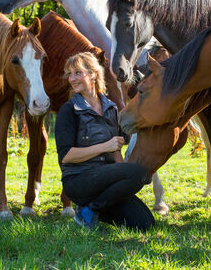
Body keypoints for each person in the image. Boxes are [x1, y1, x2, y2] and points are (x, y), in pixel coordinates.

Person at [55, 52, 154, 230]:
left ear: (93, 74)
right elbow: (66, 156)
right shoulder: (69, 110)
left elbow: (115, 150)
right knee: (139, 172)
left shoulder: (111, 108)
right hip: (79, 179)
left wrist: (124, 175)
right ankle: (89, 210)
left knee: (145, 223)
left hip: (105, 180)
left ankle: (93, 208)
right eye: (69, 74)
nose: (72, 78)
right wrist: (104, 147)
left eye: (77, 72)